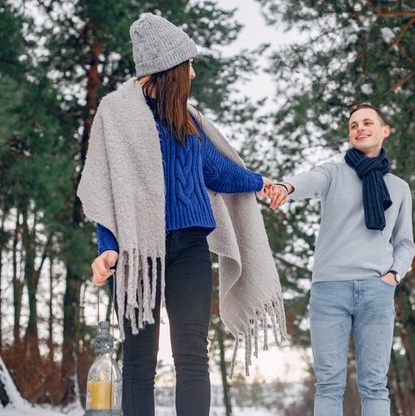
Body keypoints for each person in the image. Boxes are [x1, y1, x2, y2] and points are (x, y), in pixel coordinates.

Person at [77, 13, 286, 416]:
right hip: (137, 253)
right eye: (188, 61)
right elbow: (107, 186)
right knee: (139, 357)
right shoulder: (117, 115)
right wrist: (107, 248)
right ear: (171, 66)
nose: (193, 69)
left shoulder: (187, 121)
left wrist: (262, 182)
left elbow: (219, 171)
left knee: (192, 354)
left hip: (190, 246)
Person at [268, 104, 415, 415]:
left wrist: (392, 277)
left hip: (377, 291)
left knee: (375, 384)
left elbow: (404, 243)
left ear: (384, 130)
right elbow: (309, 180)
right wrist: (286, 187)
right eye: (353, 125)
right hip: (329, 290)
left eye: (366, 123)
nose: (359, 129)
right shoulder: (334, 173)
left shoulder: (400, 188)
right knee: (329, 384)